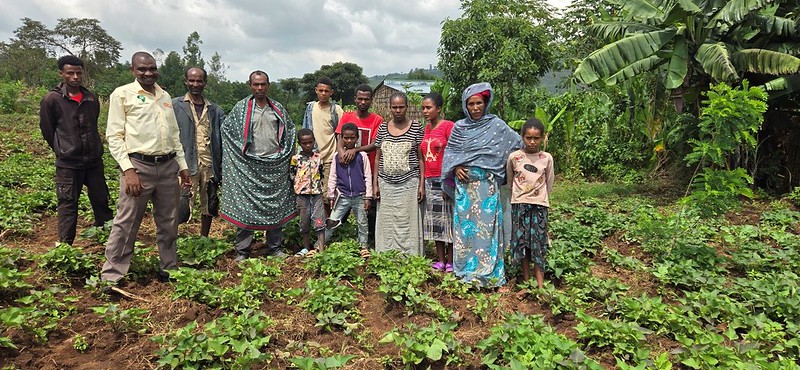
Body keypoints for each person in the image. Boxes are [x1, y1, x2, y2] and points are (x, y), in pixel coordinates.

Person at [101, 51, 192, 283]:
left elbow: (174, 135)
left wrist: (182, 167)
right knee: (127, 222)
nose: (148, 73)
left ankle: (169, 268)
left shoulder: (164, 96)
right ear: (133, 70)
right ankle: (113, 274)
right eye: (142, 69)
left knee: (169, 222)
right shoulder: (122, 95)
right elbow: (114, 135)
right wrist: (128, 170)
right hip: (138, 167)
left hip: (167, 165)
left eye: (152, 68)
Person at [441, 82, 522, 288]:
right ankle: (465, 272)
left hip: (487, 187)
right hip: (465, 190)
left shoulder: (497, 126)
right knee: (465, 232)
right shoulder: (459, 128)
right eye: (471, 104)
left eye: (479, 103)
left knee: (488, 232)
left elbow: (517, 144)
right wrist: (456, 167)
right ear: (465, 105)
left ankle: (489, 275)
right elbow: (451, 155)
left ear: (486, 103)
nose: (475, 108)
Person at [220, 70, 296, 261]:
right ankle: (243, 251)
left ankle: (274, 248)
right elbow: (227, 130)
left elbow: (290, 131)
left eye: (263, 84)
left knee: (275, 208)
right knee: (247, 209)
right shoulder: (241, 108)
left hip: (274, 166)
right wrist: (240, 156)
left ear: (268, 85)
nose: (260, 88)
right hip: (249, 168)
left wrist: (285, 155)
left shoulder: (277, 108)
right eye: (256, 84)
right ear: (250, 85)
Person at [39, 55, 113, 245]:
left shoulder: (90, 98)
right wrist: (62, 149)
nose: (75, 77)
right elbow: (48, 130)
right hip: (68, 163)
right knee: (68, 204)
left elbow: (94, 123)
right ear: (61, 74)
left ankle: (105, 240)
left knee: (101, 200)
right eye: (70, 73)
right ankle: (65, 245)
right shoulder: (52, 99)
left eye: (78, 73)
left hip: (94, 161)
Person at [173, 66, 225, 237]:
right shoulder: (175, 106)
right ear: (185, 81)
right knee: (181, 203)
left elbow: (223, 137)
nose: (195, 84)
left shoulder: (215, 110)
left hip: (209, 165)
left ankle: (204, 238)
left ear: (205, 83)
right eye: (192, 80)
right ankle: (173, 239)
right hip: (185, 164)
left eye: (199, 81)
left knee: (208, 203)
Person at [373, 93, 425, 255]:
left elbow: (421, 158)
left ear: (406, 107)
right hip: (385, 184)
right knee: (386, 221)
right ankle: (385, 255)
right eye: (394, 107)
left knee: (408, 222)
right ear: (390, 108)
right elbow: (377, 158)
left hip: (409, 183)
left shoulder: (416, 127)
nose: (397, 110)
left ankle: (411, 257)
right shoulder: (383, 127)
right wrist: (375, 184)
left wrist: (421, 184)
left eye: (401, 107)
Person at [507, 118, 554, 289]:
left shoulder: (546, 158)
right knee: (523, 244)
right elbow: (511, 181)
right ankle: (526, 282)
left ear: (542, 138)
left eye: (536, 138)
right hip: (519, 204)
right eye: (528, 138)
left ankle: (540, 286)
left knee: (539, 244)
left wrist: (542, 200)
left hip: (539, 205)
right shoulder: (515, 157)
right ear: (522, 137)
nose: (532, 142)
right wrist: (519, 198)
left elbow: (549, 183)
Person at [335, 84, 383, 249]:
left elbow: (375, 144)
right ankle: (339, 239)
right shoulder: (347, 117)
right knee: (342, 205)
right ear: (355, 99)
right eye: (360, 98)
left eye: (366, 99)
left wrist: (355, 150)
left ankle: (368, 242)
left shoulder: (377, 120)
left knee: (367, 207)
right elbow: (339, 138)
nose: (363, 102)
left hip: (366, 170)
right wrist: (341, 153)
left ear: (371, 100)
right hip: (346, 170)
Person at [326, 123, 373, 258]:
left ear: (357, 138)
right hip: (343, 196)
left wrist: (368, 196)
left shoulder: (362, 156)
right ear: (342, 138)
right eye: (346, 138)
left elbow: (367, 176)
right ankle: (320, 244)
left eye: (352, 138)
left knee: (362, 223)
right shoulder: (336, 157)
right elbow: (333, 176)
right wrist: (331, 195)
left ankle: (363, 246)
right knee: (332, 220)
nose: (349, 141)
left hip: (360, 196)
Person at [420, 92, 455, 272]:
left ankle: (450, 260)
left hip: (444, 180)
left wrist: (448, 180)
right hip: (429, 180)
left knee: (448, 220)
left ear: (438, 108)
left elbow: (455, 154)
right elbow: (422, 158)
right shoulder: (426, 129)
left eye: (429, 107)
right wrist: (422, 183)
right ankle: (440, 259)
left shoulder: (448, 126)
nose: (425, 111)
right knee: (435, 223)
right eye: (423, 108)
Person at [301, 76, 343, 205]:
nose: (323, 93)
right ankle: (318, 223)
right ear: (316, 90)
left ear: (331, 92)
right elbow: (305, 130)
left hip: (329, 159)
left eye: (326, 91)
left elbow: (341, 134)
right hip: (313, 158)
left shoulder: (336, 110)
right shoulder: (311, 108)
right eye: (321, 90)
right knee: (311, 192)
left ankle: (329, 223)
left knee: (328, 195)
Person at [291, 129, 325, 257]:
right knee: (304, 222)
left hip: (316, 193)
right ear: (300, 143)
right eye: (304, 143)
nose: (308, 145)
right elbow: (292, 174)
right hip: (302, 195)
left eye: (310, 142)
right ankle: (306, 248)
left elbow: (321, 174)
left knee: (319, 221)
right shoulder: (296, 159)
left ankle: (321, 249)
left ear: (314, 142)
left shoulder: (318, 157)